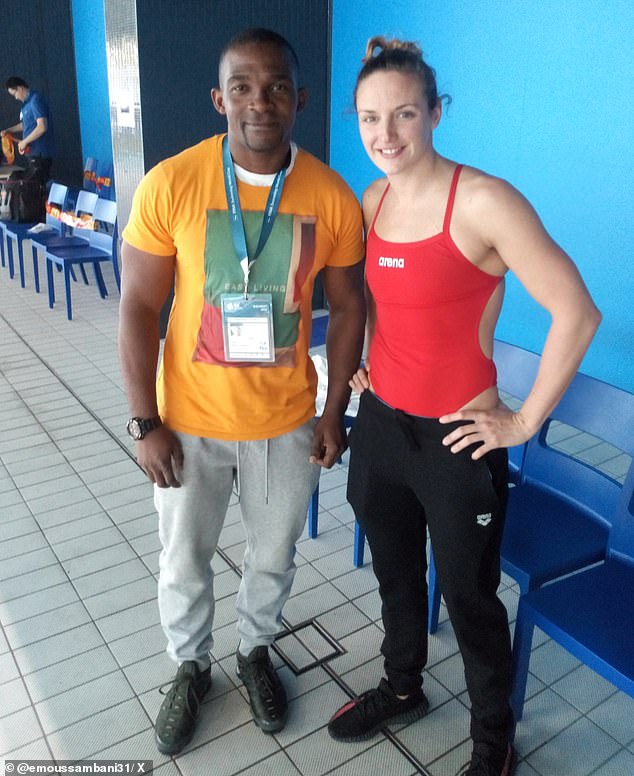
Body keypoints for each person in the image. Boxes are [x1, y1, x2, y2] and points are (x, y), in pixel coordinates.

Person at [326, 37, 601, 776]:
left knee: (472, 599)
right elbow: (382, 302)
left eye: (405, 114)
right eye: (369, 119)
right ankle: (403, 684)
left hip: (458, 439)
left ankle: (493, 738)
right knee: (394, 573)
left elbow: (576, 313)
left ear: (436, 113)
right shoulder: (373, 199)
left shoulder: (483, 201)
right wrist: (365, 367)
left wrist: (523, 421)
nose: (385, 135)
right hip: (382, 425)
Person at [118, 28, 365, 756]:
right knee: (185, 560)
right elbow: (137, 305)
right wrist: (145, 422)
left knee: (273, 556)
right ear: (219, 97)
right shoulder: (172, 182)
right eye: (246, 86)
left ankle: (256, 652)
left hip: (285, 422)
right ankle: (190, 668)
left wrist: (333, 411)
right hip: (188, 421)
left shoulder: (329, 194)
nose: (263, 101)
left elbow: (349, 307)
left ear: (301, 98)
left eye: (279, 86)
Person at [2, 77, 54, 182]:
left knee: (35, 187)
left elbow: (42, 126)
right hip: (32, 153)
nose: (15, 98)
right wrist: (9, 130)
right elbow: (24, 125)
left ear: (20, 88)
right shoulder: (25, 105)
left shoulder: (36, 100)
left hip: (40, 153)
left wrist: (24, 141)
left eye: (15, 94)